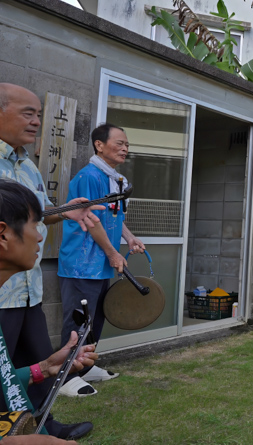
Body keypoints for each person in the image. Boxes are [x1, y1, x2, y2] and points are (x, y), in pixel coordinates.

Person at [0, 83, 101, 440]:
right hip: (3, 292)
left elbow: (39, 214)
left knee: (40, 359)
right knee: (4, 372)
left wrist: (70, 212)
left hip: (30, 290)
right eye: (28, 113)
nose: (36, 121)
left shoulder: (27, 165)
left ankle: (45, 425)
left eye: (39, 114)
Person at [57, 125, 145, 398]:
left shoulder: (114, 178)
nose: (125, 148)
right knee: (78, 322)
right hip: (82, 263)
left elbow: (115, 218)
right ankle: (66, 376)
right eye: (119, 143)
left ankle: (85, 367)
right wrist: (112, 252)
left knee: (96, 320)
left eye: (127, 145)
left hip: (101, 264)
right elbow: (91, 220)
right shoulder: (90, 176)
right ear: (99, 145)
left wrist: (128, 238)